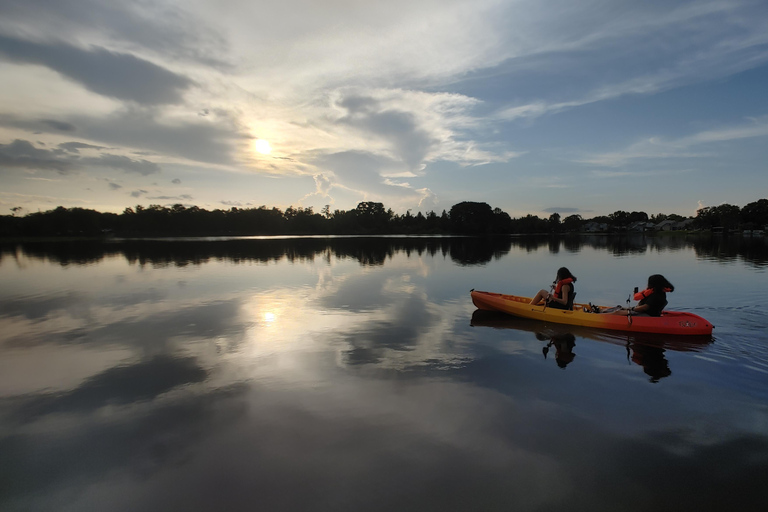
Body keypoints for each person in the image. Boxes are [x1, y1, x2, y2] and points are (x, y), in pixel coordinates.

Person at [610, 274, 674, 317]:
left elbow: (644, 308)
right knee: (619, 308)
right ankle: (601, 311)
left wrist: (631, 309)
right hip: (651, 313)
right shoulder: (660, 292)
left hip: (647, 315)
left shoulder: (656, 295)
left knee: (617, 313)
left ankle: (602, 316)